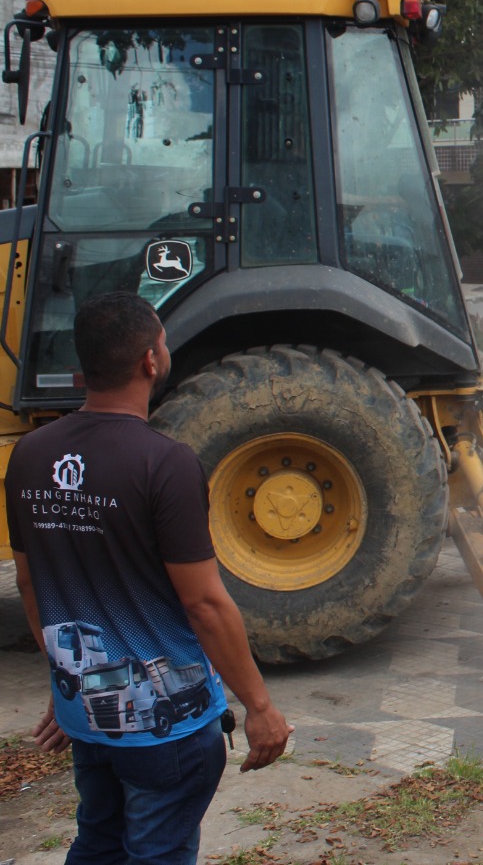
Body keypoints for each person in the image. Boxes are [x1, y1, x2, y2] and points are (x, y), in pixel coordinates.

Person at [6, 291, 292, 864]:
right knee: (156, 852)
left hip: (89, 723)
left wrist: (75, 685)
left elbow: (32, 584)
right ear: (149, 361)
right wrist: (259, 706)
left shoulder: (30, 455)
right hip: (170, 731)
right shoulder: (165, 463)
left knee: (99, 842)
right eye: (161, 341)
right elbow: (205, 606)